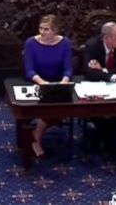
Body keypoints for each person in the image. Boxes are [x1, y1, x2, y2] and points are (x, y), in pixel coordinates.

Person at [23, 14, 73, 157]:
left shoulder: (65, 43)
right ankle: (36, 138)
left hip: (59, 83)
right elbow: (29, 70)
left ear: (55, 30)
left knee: (62, 105)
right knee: (48, 104)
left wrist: (63, 82)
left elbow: (68, 69)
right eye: (41, 28)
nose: (42, 32)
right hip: (38, 82)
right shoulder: (31, 43)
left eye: (46, 29)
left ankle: (35, 134)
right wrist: (43, 83)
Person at [83, 21, 116, 153]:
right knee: (94, 108)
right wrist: (113, 76)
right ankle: (107, 138)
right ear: (107, 38)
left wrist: (102, 70)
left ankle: (105, 136)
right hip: (95, 87)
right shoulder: (92, 45)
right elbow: (88, 72)